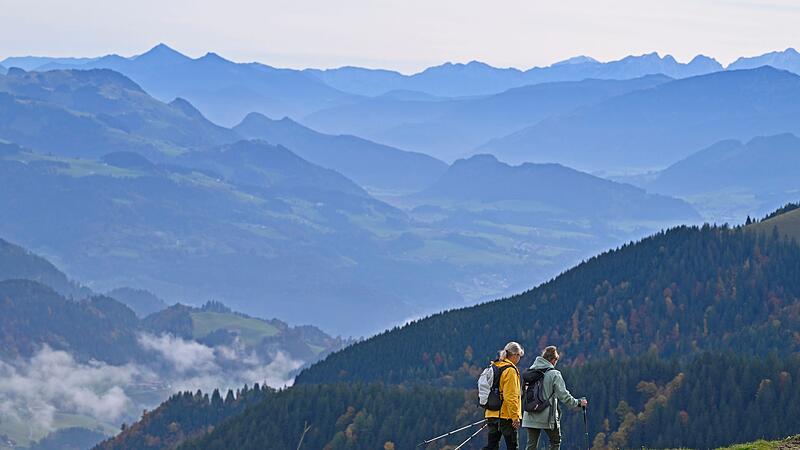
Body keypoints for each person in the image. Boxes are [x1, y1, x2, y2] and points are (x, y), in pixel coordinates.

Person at [522, 346, 588, 450]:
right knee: (555, 442)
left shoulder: (530, 372)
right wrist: (578, 403)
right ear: (553, 360)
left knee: (531, 446)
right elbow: (564, 396)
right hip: (547, 417)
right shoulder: (554, 374)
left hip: (530, 414)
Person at [483, 341, 524, 450]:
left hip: (491, 413)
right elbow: (510, 396)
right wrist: (515, 417)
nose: (519, 359)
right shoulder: (510, 371)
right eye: (519, 356)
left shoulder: (495, 366)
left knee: (492, 446)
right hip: (506, 416)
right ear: (515, 355)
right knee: (512, 447)